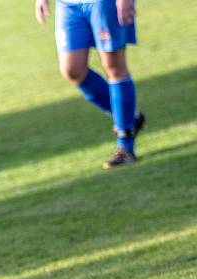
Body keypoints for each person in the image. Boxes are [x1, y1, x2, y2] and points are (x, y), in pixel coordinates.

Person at [35, 0, 144, 169]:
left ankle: (125, 147)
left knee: (114, 66)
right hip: (68, 4)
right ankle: (131, 117)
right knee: (72, 70)